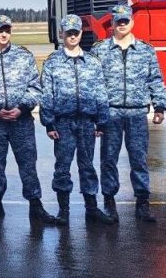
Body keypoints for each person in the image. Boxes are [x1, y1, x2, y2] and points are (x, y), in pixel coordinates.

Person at [0, 14, 58, 225]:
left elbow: (35, 87)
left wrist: (22, 108)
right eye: (0, 30)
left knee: (28, 164)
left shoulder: (23, 56)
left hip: (22, 121)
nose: (3, 34)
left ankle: (35, 205)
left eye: (7, 30)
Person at [92, 3, 166, 223]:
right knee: (108, 159)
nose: (122, 24)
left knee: (139, 159)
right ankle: (109, 202)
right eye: (119, 21)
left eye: (126, 20)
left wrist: (160, 106)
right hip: (111, 113)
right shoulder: (100, 50)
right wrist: (95, 114)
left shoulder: (145, 50)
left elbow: (155, 79)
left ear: (132, 22)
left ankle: (142, 202)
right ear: (112, 23)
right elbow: (93, 83)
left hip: (137, 113)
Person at [40, 14, 113, 226]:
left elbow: (101, 92)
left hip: (87, 122)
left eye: (76, 33)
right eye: (68, 33)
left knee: (87, 165)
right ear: (61, 34)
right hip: (63, 123)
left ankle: (92, 208)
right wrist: (49, 122)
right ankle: (64, 210)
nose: (72, 36)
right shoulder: (53, 62)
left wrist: (102, 120)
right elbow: (46, 94)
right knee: (62, 167)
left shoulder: (92, 62)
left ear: (81, 33)